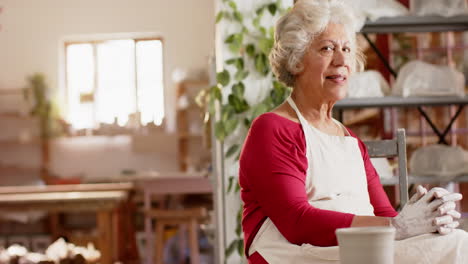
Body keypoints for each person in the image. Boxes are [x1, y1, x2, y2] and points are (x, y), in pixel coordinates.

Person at [238, 0, 468, 263]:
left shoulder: (350, 140)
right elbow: (296, 222)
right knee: (458, 247)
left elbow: (386, 216)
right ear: (295, 60)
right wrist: (396, 228)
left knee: (454, 241)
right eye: (327, 48)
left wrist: (423, 218)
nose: (341, 60)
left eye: (347, 49)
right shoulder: (272, 128)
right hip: (299, 254)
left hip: (360, 251)